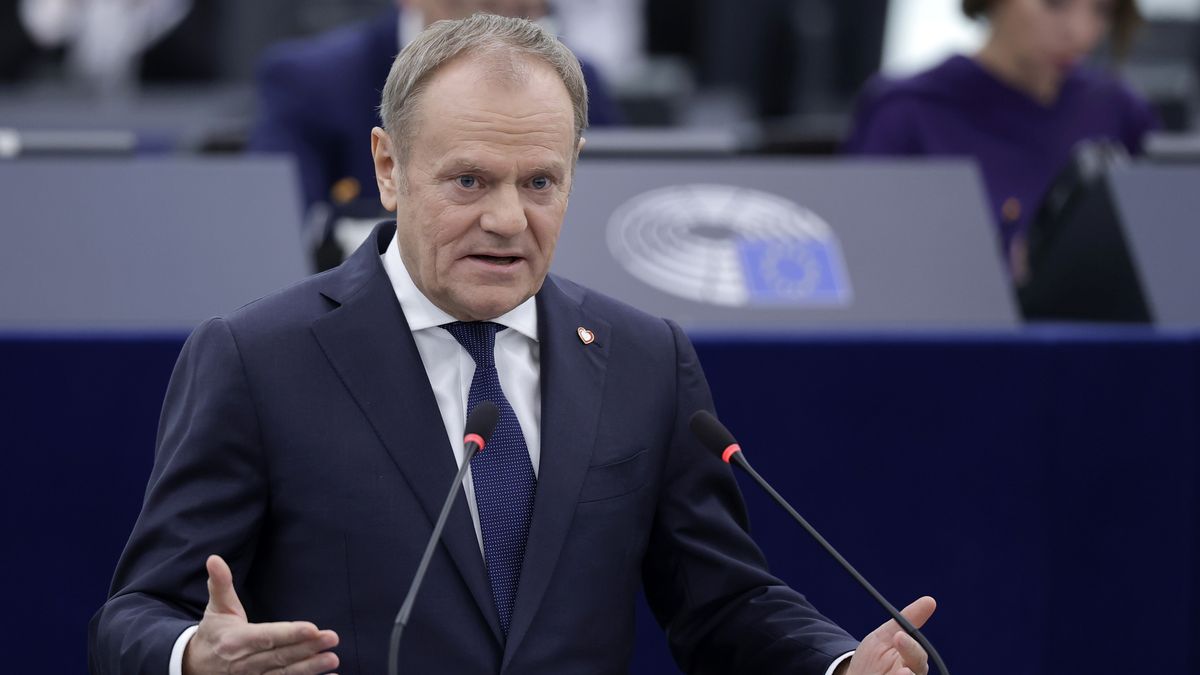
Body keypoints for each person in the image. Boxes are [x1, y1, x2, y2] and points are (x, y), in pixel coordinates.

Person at [89, 14, 935, 675]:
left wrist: (831, 662)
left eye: (539, 182)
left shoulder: (644, 359)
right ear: (388, 168)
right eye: (469, 180)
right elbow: (133, 615)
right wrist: (191, 654)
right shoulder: (258, 357)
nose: (506, 218)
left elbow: (720, 603)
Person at [844, 0, 1157, 274]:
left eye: (1102, 9)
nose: (1080, 32)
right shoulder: (907, 110)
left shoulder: (1120, 110)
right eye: (1055, 2)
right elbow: (858, 264)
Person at [246, 0, 622, 213]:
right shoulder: (313, 80)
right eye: (477, 7)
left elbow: (607, 219)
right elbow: (271, 230)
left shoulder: (576, 80)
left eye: (520, 12)